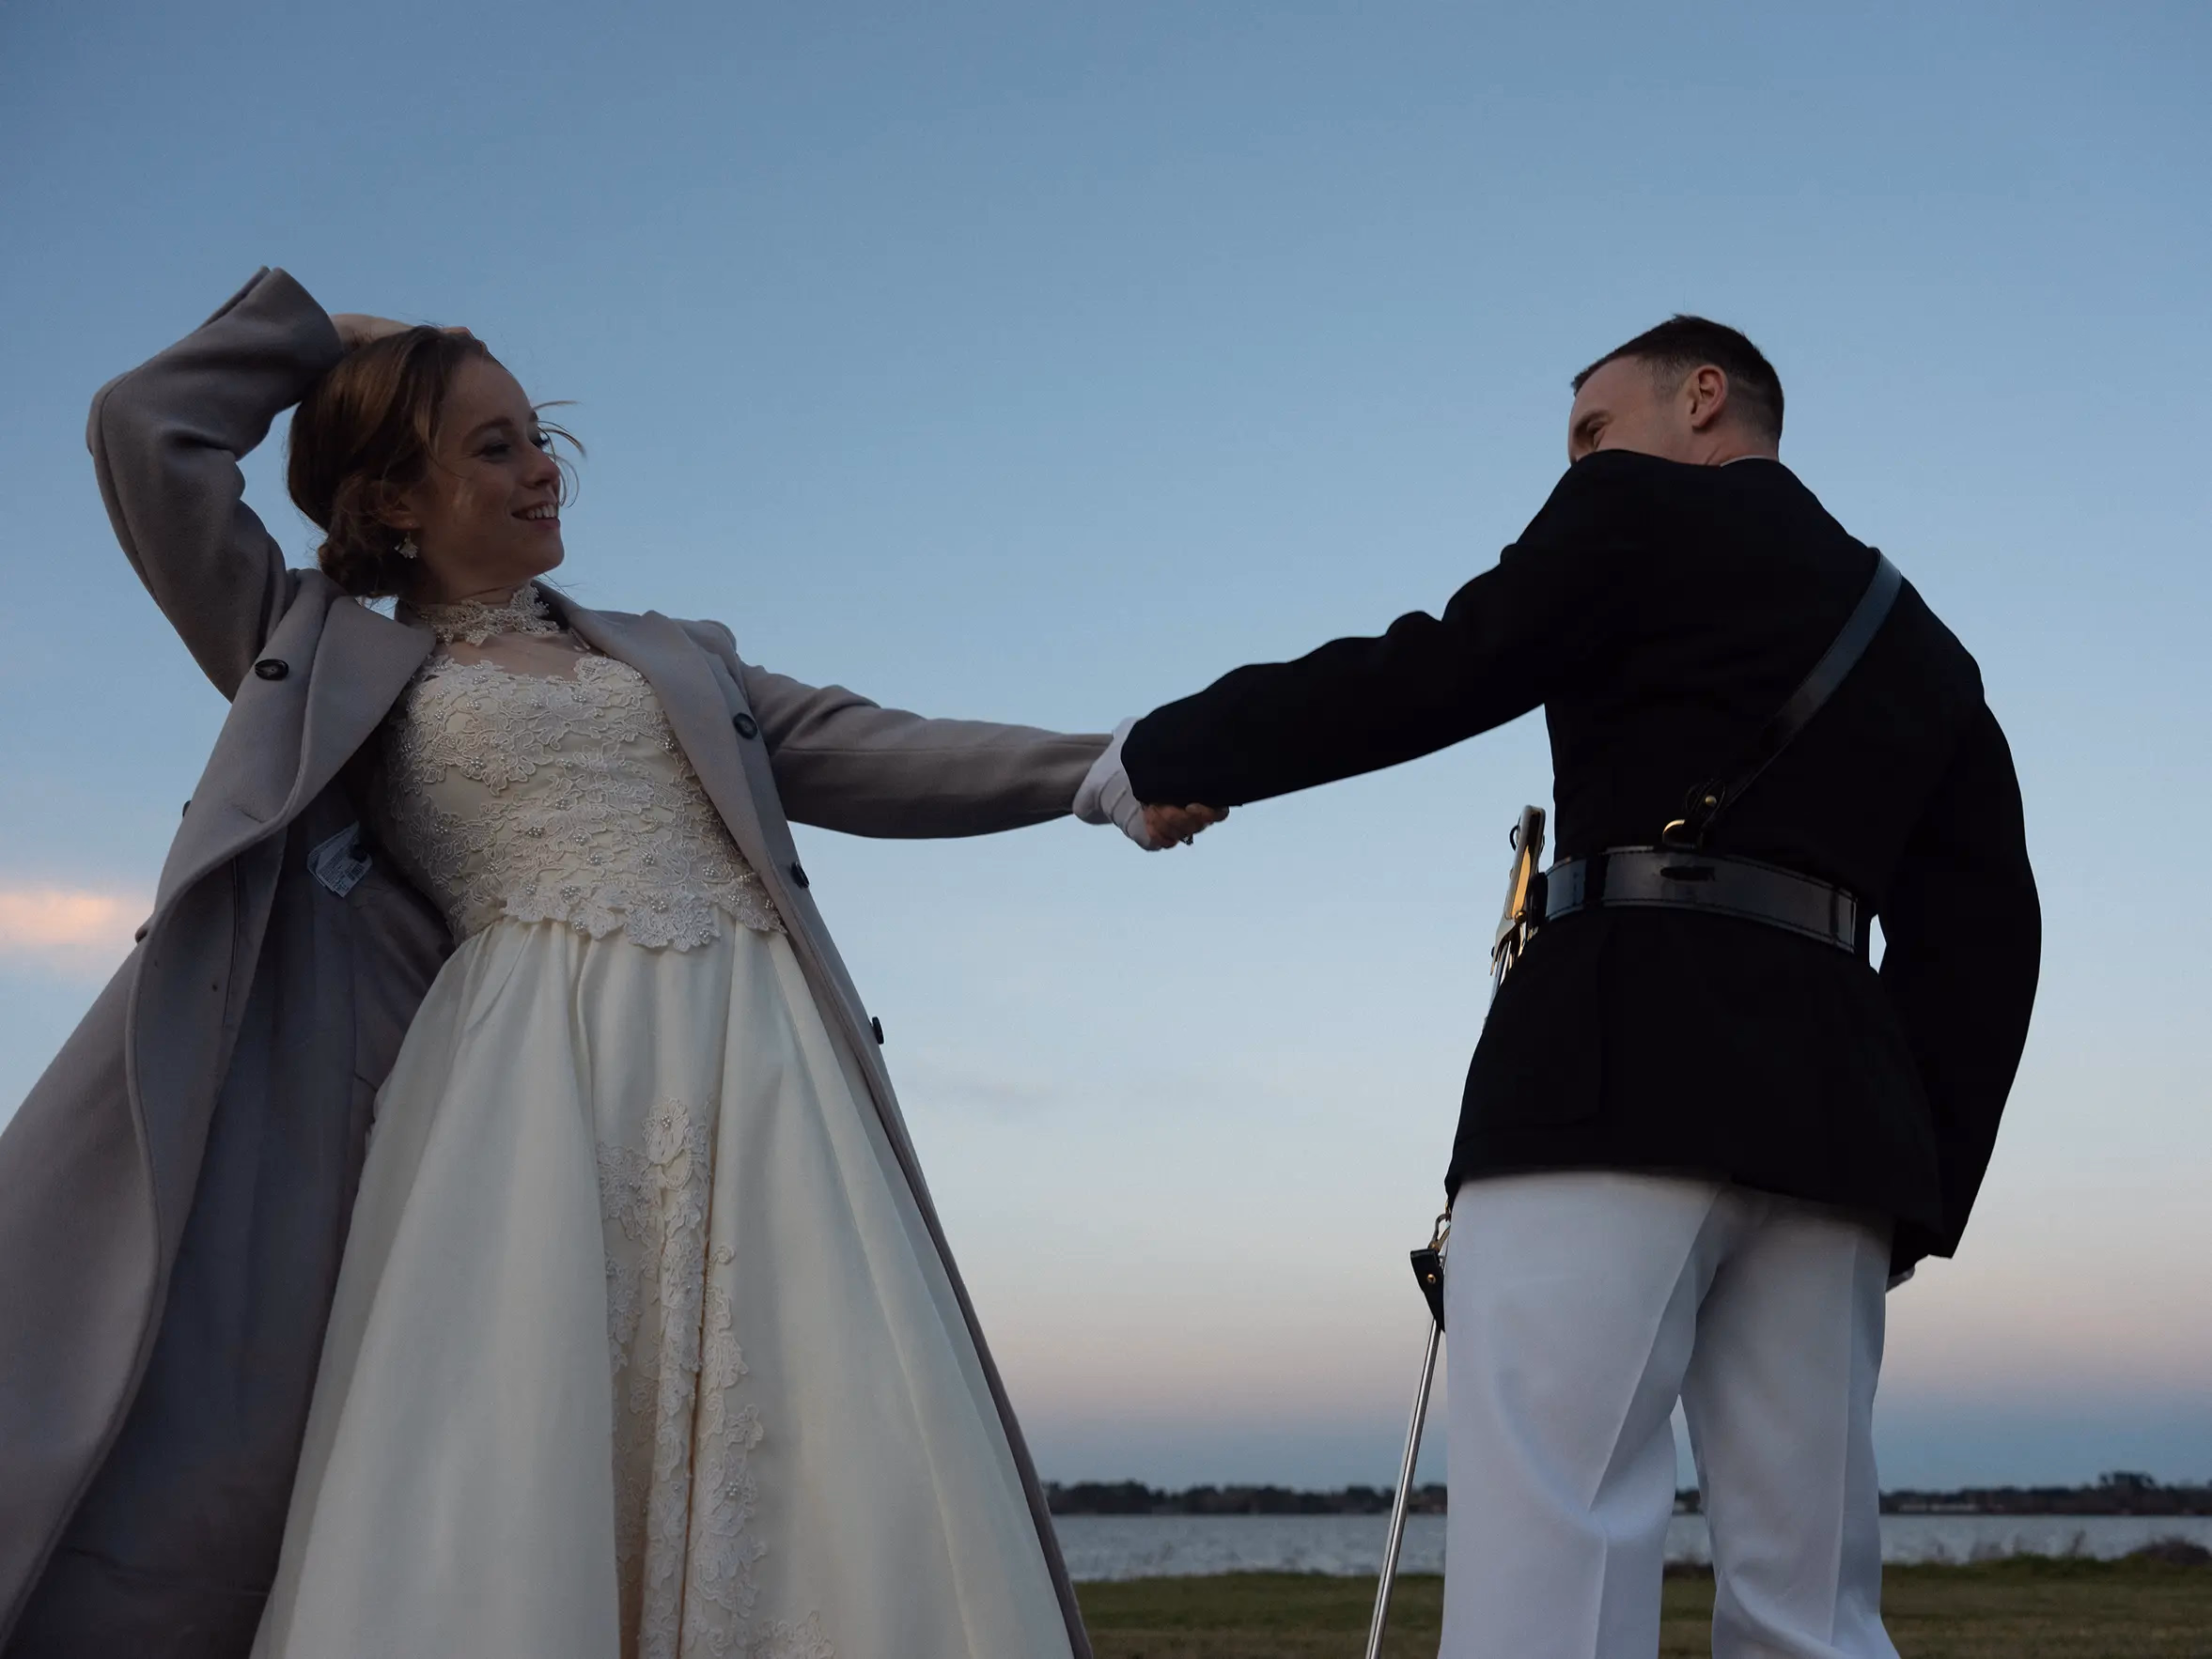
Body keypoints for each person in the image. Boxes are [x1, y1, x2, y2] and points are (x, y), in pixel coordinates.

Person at [0, 268, 1201, 1658]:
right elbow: (143, 428)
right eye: (493, 445)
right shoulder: (315, 653)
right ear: (392, 500)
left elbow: (873, 743)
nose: (542, 471)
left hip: (759, 1060)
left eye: (542, 436)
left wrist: (1104, 771)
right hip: (521, 1085)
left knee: (818, 1415)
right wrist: (326, 339)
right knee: (523, 1435)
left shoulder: (677, 656)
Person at [1075, 318, 2041, 1657]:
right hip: (1837, 1147)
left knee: (1554, 1585)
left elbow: (1432, 664)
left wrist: (1172, 746)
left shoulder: (1628, 512)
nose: (1577, 460)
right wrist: (1913, 1189)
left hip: (1606, 1077)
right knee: (1811, 1608)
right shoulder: (1921, 644)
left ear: (1702, 398)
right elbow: (1985, 936)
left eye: (1590, 425)